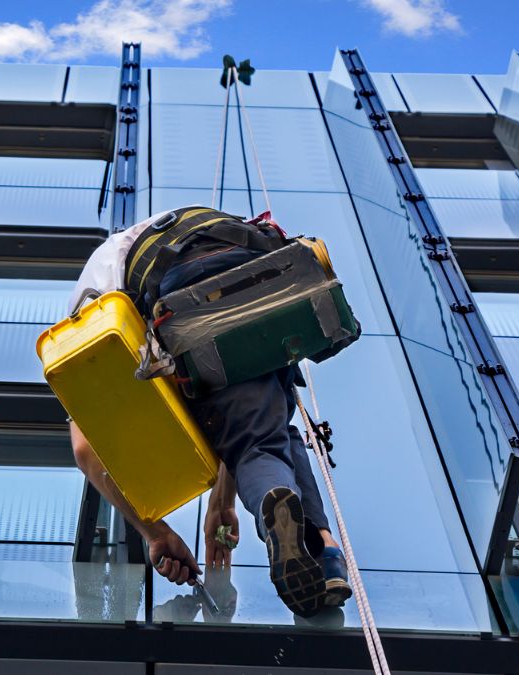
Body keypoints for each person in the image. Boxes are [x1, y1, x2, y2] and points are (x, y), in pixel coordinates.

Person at [68, 206, 351, 618]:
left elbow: (85, 451)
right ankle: (323, 552)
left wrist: (156, 533)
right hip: (260, 273)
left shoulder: (86, 314)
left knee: (256, 441)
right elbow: (235, 422)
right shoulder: (166, 229)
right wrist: (222, 505)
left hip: (184, 293)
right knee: (269, 430)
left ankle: (292, 520)